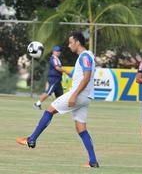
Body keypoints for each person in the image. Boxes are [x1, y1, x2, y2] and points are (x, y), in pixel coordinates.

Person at [16, 31, 99, 168]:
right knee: (81, 128)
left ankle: (31, 139)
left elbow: (87, 76)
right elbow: (82, 75)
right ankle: (93, 161)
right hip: (86, 97)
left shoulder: (84, 56)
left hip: (79, 95)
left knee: (49, 110)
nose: (69, 45)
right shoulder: (88, 55)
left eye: (71, 42)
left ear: (77, 42)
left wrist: (74, 95)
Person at [33, 46, 71, 110]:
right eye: (57, 51)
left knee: (60, 95)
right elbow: (57, 68)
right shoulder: (53, 58)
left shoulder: (57, 58)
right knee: (48, 92)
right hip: (54, 79)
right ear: (53, 52)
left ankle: (61, 107)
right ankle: (37, 104)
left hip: (58, 79)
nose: (58, 52)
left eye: (59, 51)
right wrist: (66, 71)